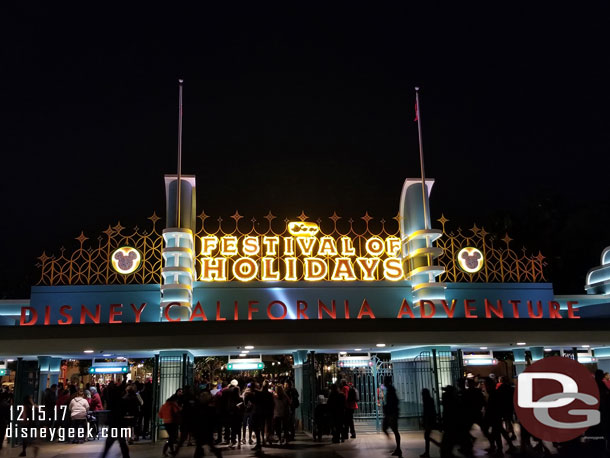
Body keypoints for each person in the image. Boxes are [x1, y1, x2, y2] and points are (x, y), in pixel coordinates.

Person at [100, 382, 131, 458]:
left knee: (109, 443)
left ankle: (103, 456)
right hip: (121, 424)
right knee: (122, 443)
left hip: (114, 424)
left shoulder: (112, 402)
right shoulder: (123, 401)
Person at [381, 376, 402, 457]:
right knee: (386, 429)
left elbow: (393, 402)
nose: (384, 382)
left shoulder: (391, 389)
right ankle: (396, 447)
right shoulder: (389, 389)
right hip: (389, 414)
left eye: (385, 381)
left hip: (391, 414)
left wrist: (389, 410)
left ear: (387, 381)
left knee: (395, 431)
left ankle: (398, 448)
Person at [420, 388, 439, 458]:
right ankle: (427, 452)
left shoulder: (427, 400)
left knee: (427, 436)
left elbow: (427, 412)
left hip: (429, 421)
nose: (421, 395)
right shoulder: (429, 400)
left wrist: (425, 421)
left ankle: (428, 452)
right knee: (427, 437)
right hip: (430, 420)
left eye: (422, 393)